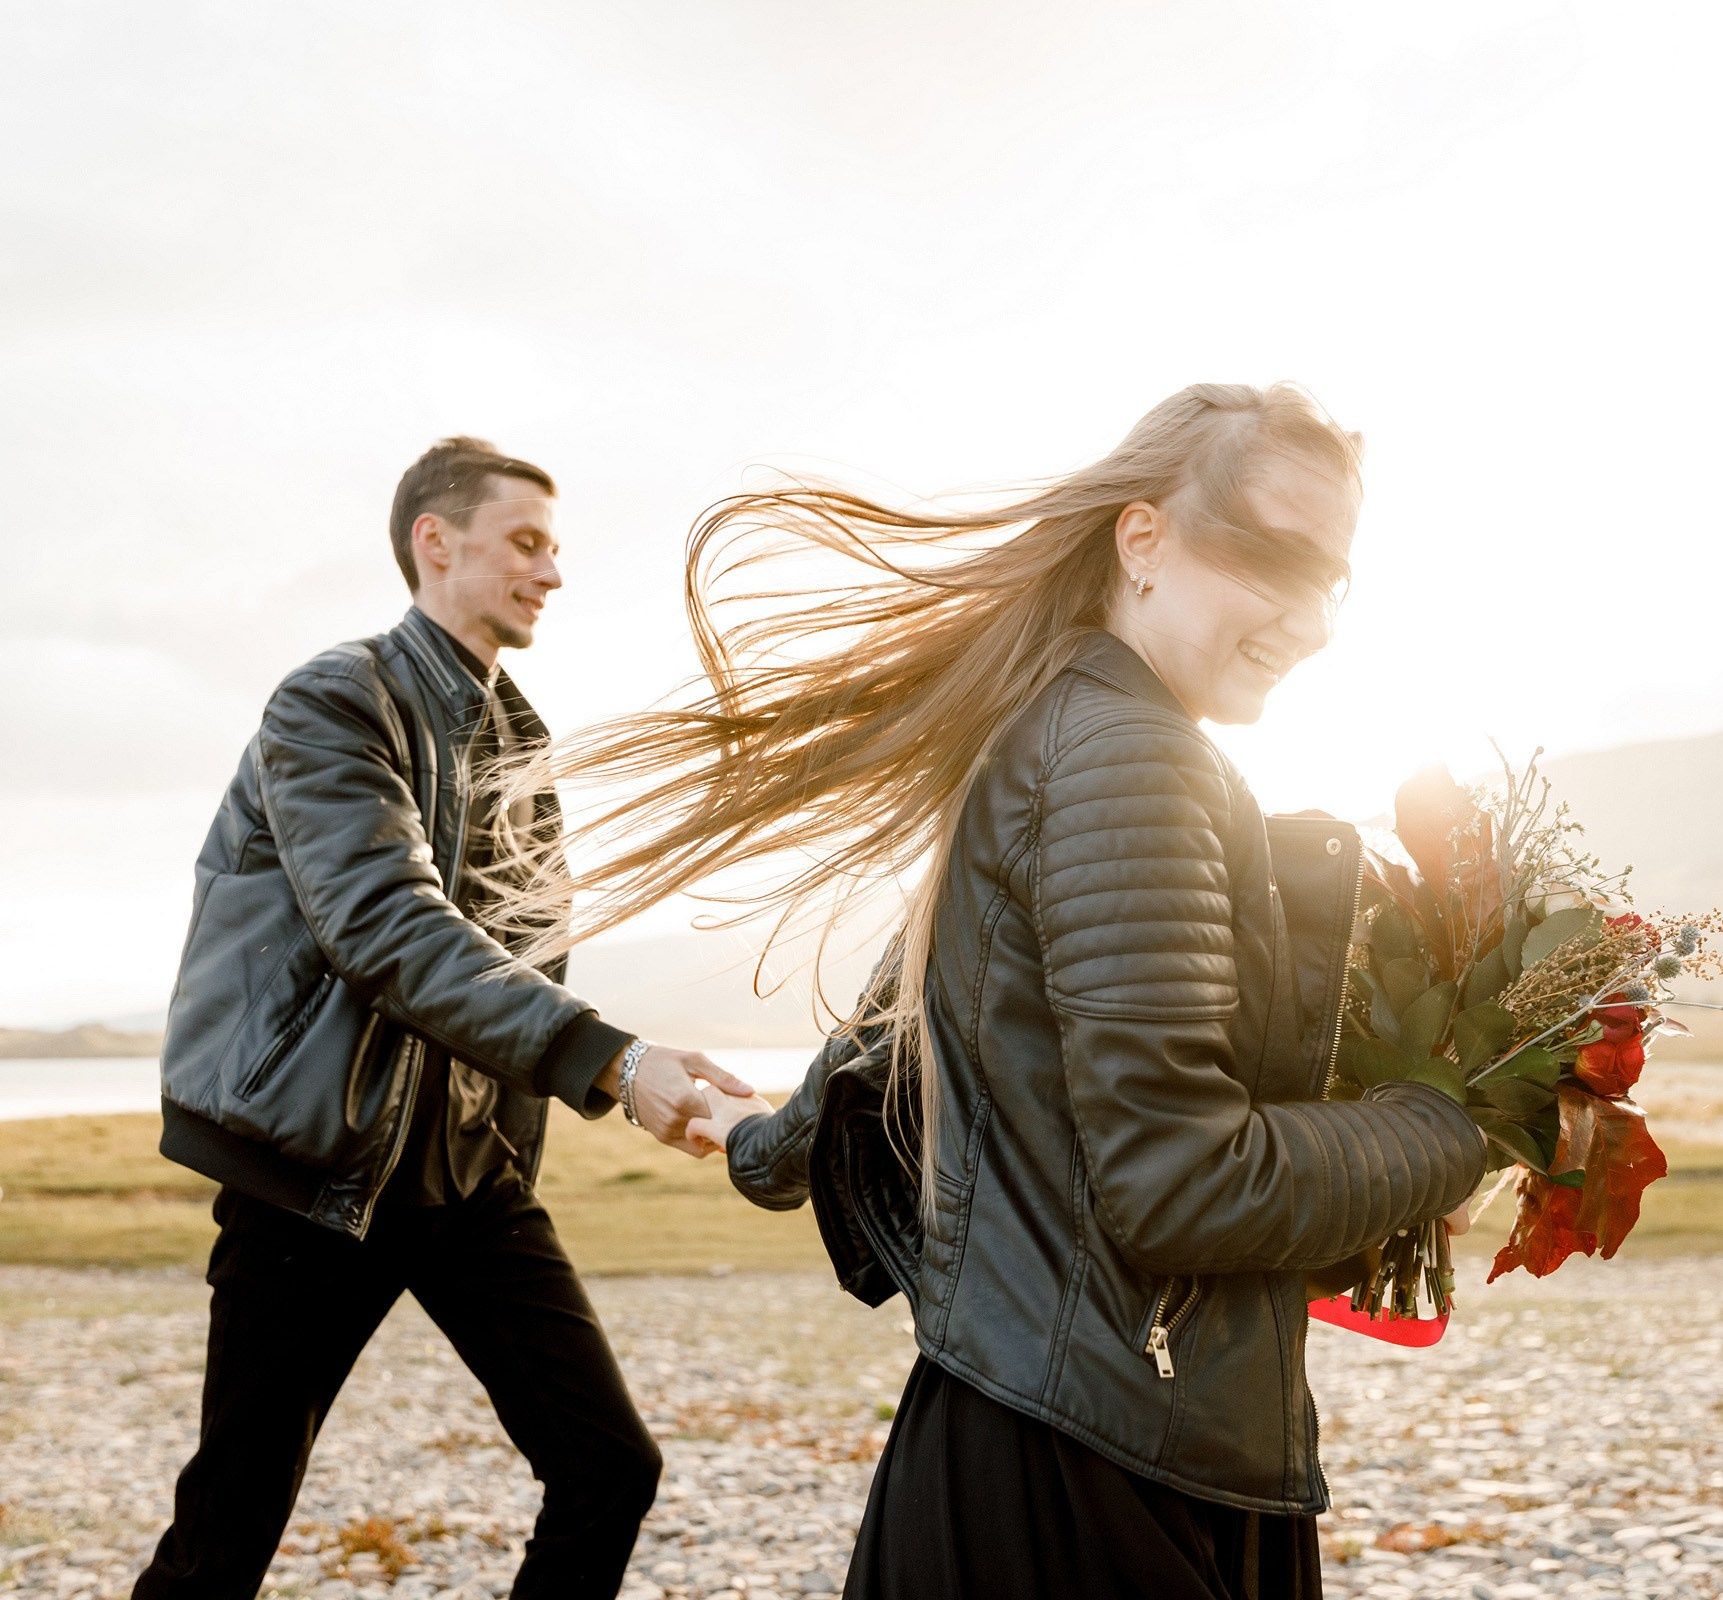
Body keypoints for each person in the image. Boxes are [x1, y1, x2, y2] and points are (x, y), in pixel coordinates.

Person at [530, 385, 1489, 1599]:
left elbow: (884, 1050)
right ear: (1142, 541)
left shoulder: (1055, 734)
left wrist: (742, 1136)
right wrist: (1445, 1130)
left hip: (1037, 1435)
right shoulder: (1128, 761)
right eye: (1274, 558)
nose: (1311, 616)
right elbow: (1176, 1183)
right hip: (1096, 1484)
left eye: (1333, 579)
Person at [134, 437, 754, 1600]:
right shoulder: (333, 699)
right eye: (526, 543)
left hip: (466, 1180)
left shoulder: (521, 741)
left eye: (555, 549)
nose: (552, 573)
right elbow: (386, 924)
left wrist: (546, 1117)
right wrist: (615, 1063)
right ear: (437, 540)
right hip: (309, 1175)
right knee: (231, 1521)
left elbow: (518, 955)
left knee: (610, 1467)